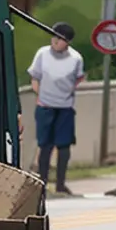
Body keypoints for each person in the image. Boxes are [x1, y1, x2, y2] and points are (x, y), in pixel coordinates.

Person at [28, 21, 86, 195]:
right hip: (45, 106)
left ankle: (60, 183)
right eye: (54, 36)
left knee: (64, 146)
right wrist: (40, 96)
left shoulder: (76, 58)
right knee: (45, 145)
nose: (55, 41)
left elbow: (79, 79)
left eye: (60, 39)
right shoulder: (42, 54)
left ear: (67, 42)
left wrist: (66, 92)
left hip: (65, 107)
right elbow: (34, 77)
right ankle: (42, 183)